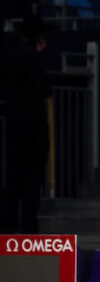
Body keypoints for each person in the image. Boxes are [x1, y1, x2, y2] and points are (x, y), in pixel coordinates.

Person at [0, 16, 51, 234]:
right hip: (34, 122)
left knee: (13, 174)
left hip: (12, 120)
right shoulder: (32, 56)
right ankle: (29, 228)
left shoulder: (7, 53)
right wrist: (38, 55)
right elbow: (45, 89)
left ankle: (8, 226)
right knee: (32, 175)